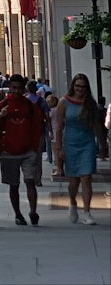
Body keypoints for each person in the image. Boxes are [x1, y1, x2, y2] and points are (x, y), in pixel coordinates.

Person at [53, 73, 110, 225]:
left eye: (83, 87)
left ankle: (87, 212)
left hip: (87, 143)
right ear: (73, 86)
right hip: (71, 143)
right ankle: (72, 203)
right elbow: (59, 126)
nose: (80, 89)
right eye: (77, 86)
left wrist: (102, 144)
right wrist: (58, 148)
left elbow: (96, 125)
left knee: (86, 177)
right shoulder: (64, 102)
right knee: (74, 180)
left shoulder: (90, 103)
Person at [0, 74, 44, 225]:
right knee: (13, 184)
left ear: (24, 89)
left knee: (30, 181)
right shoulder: (2, 106)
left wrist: (35, 148)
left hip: (28, 150)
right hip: (9, 151)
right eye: (14, 88)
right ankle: (18, 214)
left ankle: (33, 211)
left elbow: (37, 128)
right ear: (10, 87)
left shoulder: (31, 106)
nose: (16, 91)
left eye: (19, 88)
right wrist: (0, 146)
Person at [25, 80, 52, 180]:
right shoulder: (41, 101)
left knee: (28, 155)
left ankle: (30, 176)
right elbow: (47, 117)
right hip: (40, 130)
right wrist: (50, 131)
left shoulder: (24, 100)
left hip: (26, 131)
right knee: (38, 155)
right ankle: (38, 178)